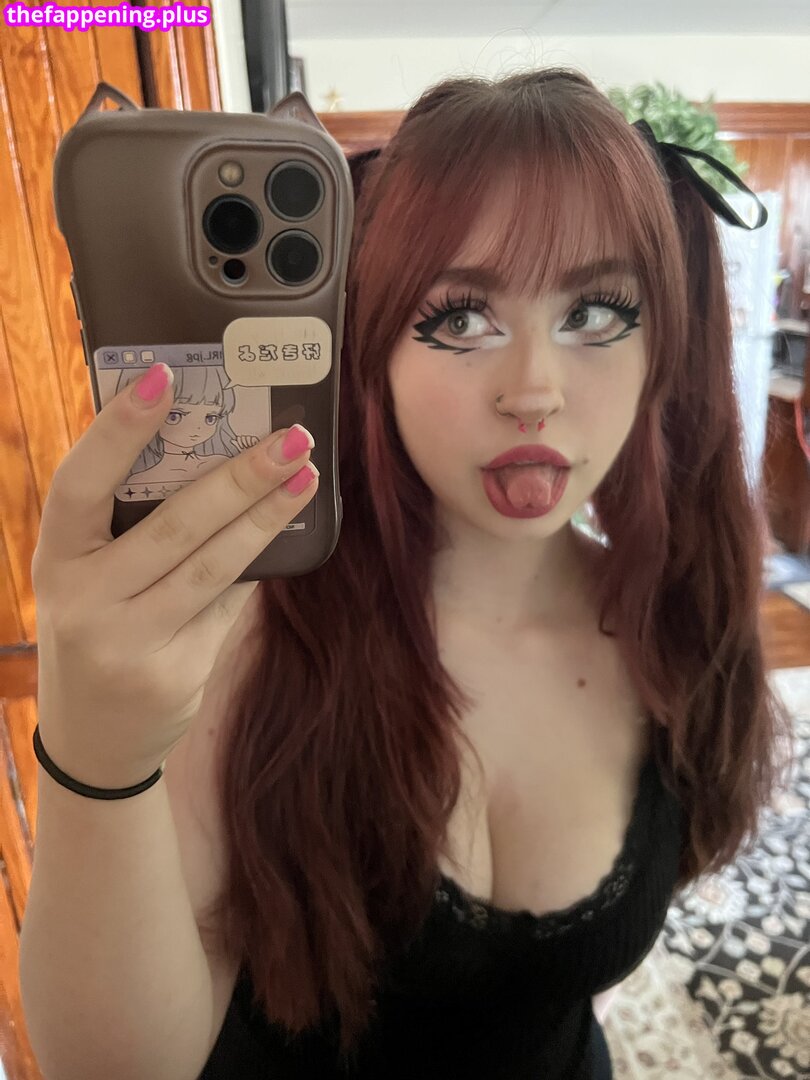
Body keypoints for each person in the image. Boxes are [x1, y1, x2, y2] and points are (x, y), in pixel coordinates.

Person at [19, 68, 793, 1080]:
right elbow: (118, 1069)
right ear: (372, 348)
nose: (534, 390)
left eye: (597, 312)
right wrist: (97, 753)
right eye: (461, 318)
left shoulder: (673, 623)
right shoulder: (248, 637)